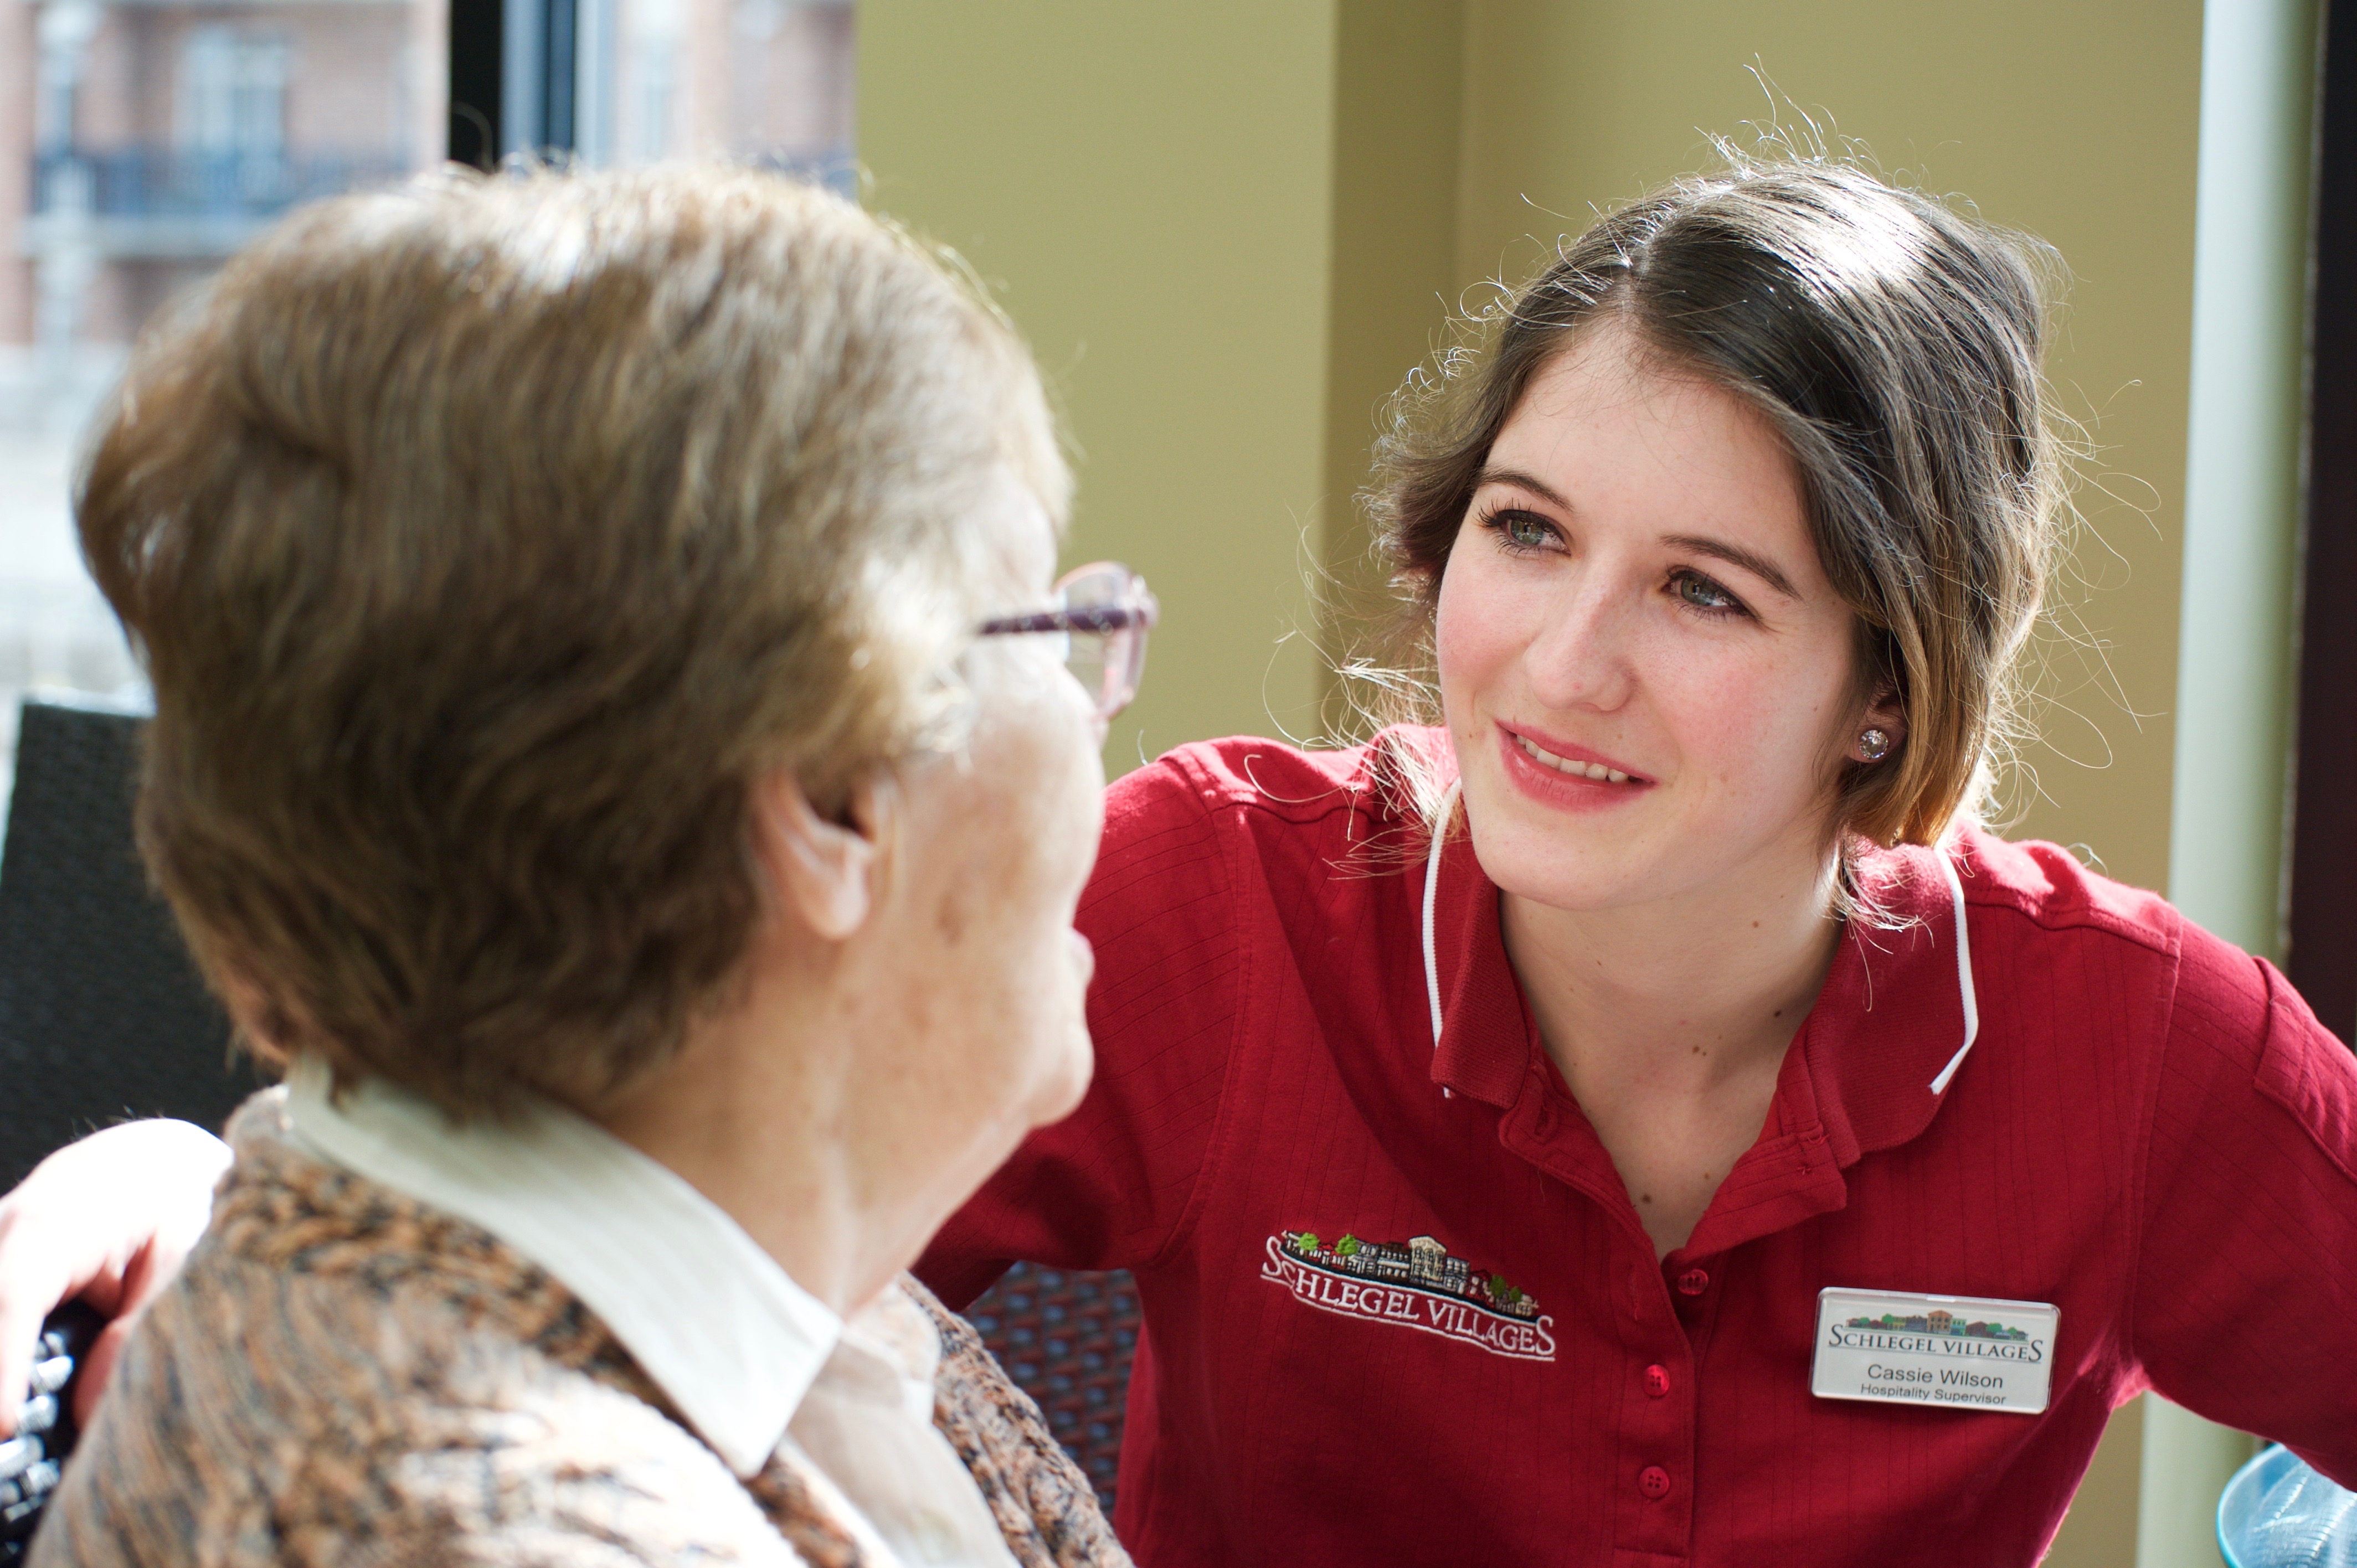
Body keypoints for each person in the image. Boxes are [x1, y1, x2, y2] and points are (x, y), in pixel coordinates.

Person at [6, 158, 2354, 1567]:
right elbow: (583, 1159)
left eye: (1707, 591)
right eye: (1519, 535)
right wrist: (216, 1190)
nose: (1554, 663)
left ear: (1885, 689)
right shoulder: (1204, 910)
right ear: (820, 811)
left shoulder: (2132, 1054)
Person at [17, 164, 1150, 1567]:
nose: (1107, 692)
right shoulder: (495, 1523)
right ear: (832, 798)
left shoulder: (780, 1306)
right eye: (1052, 626)